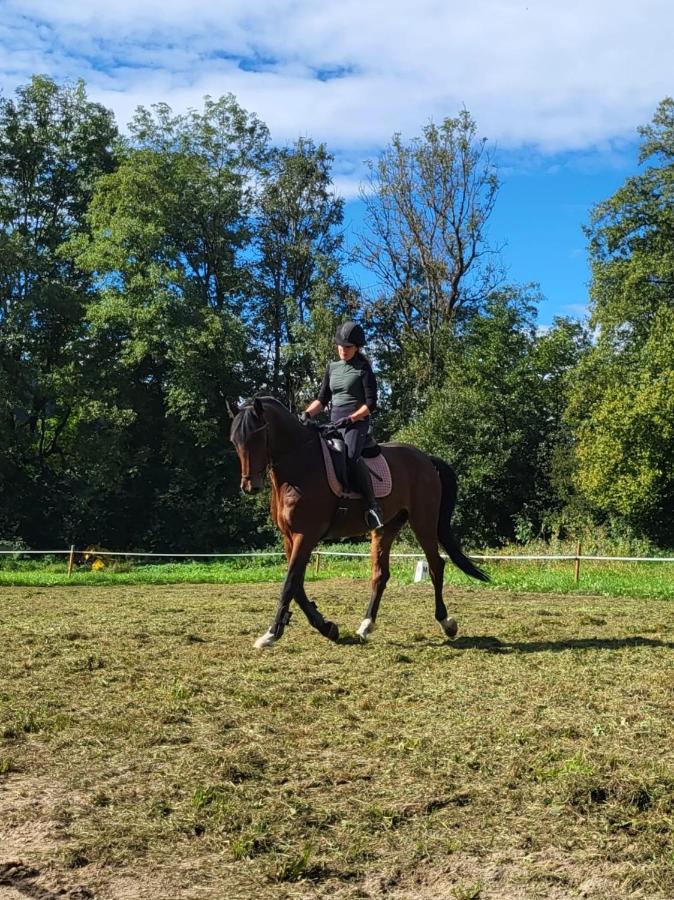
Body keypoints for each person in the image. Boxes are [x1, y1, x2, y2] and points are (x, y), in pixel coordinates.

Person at [302, 321, 384, 531]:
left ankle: (372, 507)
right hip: (334, 420)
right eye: (340, 346)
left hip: (357, 422)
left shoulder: (363, 369)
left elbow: (371, 404)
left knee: (349, 457)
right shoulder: (332, 367)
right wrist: (307, 413)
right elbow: (322, 399)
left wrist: (352, 419)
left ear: (357, 348)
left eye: (348, 347)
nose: (343, 350)